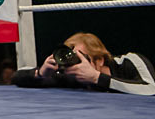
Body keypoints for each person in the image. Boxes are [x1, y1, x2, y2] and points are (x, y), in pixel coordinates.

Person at [13, 32, 155, 96]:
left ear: (99, 60)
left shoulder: (129, 61)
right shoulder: (71, 74)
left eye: (82, 57)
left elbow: (150, 89)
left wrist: (97, 78)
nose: (76, 63)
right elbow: (17, 76)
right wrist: (40, 74)